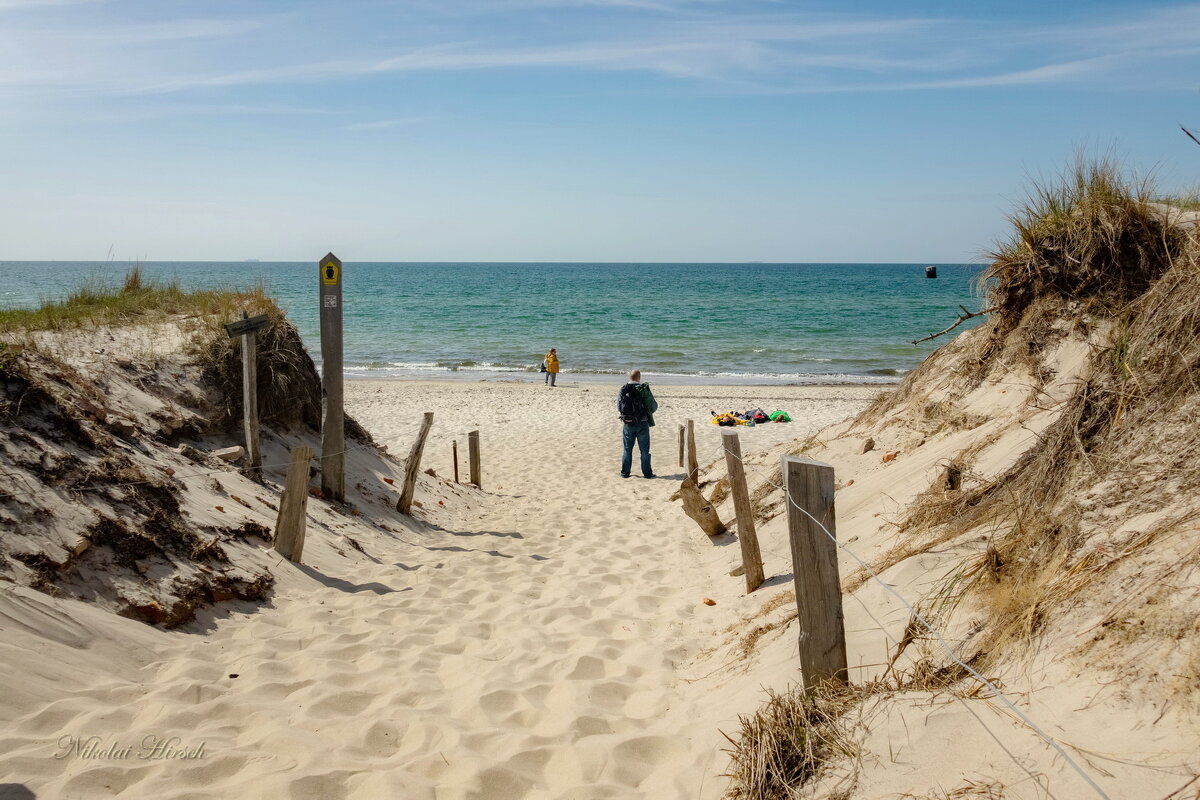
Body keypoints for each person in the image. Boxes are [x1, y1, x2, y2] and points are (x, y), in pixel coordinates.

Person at [618, 369, 658, 478]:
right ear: (639, 377)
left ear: (629, 377)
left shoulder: (623, 389)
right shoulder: (643, 389)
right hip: (643, 423)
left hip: (628, 423)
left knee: (627, 449)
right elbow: (653, 407)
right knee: (644, 450)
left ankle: (625, 473)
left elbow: (619, 406)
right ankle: (647, 473)